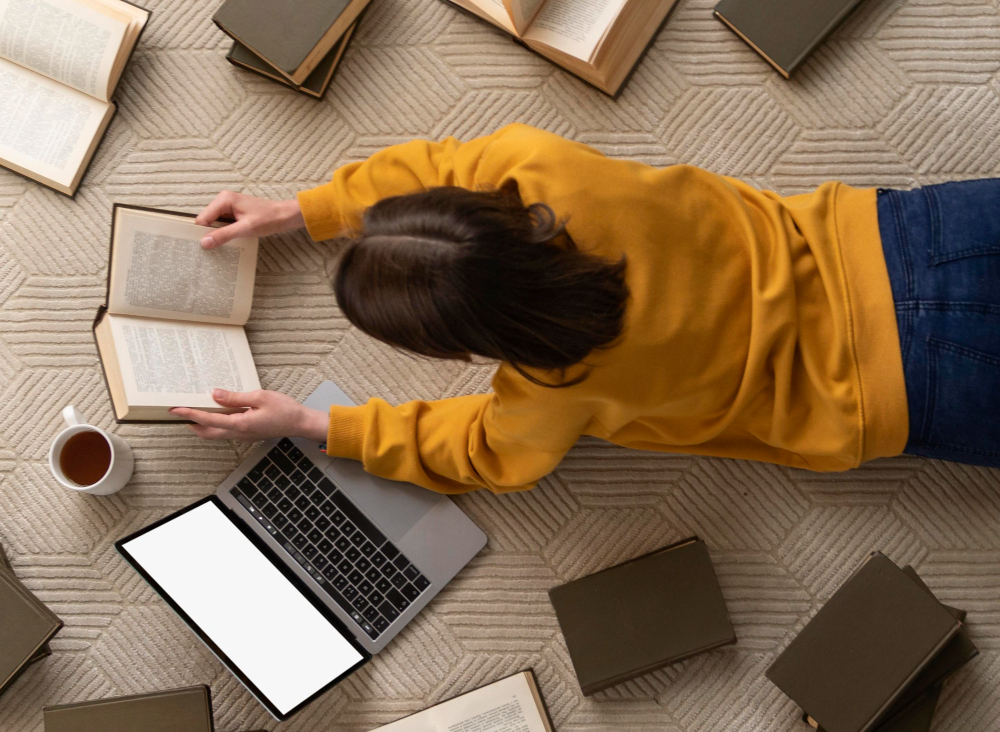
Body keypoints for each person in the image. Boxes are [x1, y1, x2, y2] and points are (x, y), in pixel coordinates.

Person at [169, 124, 1000, 492]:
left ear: (464, 347)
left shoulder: (555, 382)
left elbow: (485, 453)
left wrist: (319, 424)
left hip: (902, 385)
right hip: (904, 238)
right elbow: (433, 163)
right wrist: (306, 210)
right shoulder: (535, 164)